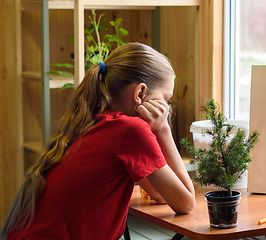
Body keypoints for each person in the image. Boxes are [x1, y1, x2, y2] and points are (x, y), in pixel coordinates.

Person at [0, 42, 196, 240]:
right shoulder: (130, 130)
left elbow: (159, 193)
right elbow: (186, 202)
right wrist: (163, 128)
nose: (167, 107)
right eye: (166, 99)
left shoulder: (93, 119)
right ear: (140, 93)